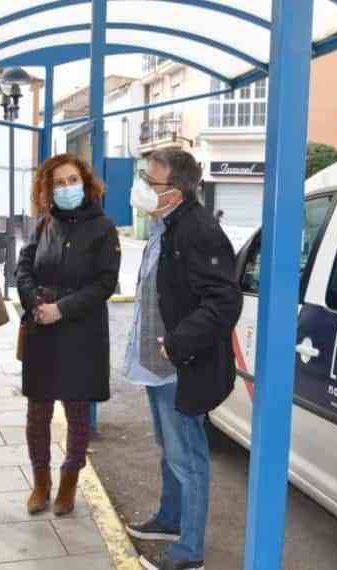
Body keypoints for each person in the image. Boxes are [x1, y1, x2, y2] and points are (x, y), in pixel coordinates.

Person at [122, 149, 242, 570]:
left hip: (180, 364)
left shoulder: (198, 231)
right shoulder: (165, 225)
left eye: (151, 182)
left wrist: (176, 344)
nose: (142, 189)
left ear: (174, 192)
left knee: (188, 458)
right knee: (168, 448)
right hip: (157, 364)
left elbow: (224, 302)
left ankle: (189, 552)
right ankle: (170, 519)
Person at [16, 154, 121, 516]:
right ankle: (40, 482)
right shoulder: (44, 224)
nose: (66, 188)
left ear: (86, 182)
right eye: (58, 183)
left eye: (71, 180)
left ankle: (69, 482)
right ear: (48, 189)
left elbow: (105, 282)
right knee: (38, 412)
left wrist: (62, 309)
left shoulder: (103, 228)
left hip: (81, 331)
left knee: (77, 413)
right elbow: (23, 268)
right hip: (42, 329)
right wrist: (35, 304)